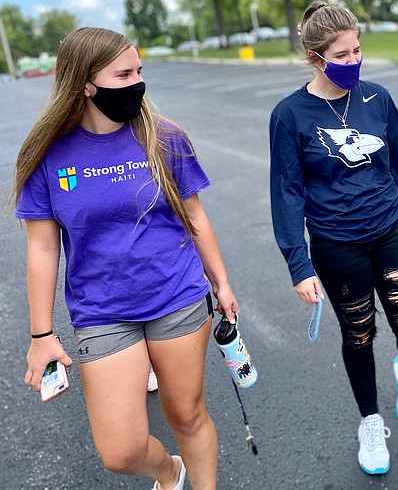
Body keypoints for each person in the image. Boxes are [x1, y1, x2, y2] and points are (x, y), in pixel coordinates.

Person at [15, 27, 238, 490]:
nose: (138, 82)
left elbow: (194, 216)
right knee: (121, 450)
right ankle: (168, 471)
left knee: (187, 414)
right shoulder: (47, 155)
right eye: (124, 74)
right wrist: (41, 333)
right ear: (85, 84)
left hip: (177, 296)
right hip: (102, 312)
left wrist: (222, 282)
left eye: (140, 71)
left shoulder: (165, 138)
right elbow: (41, 247)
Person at [269, 2, 398, 475]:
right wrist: (298, 264)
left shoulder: (378, 99)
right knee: (359, 334)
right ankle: (370, 423)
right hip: (335, 242)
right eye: (341, 55)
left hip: (390, 229)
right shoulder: (290, 114)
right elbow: (287, 191)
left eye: (357, 51)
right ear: (314, 56)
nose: (353, 61)